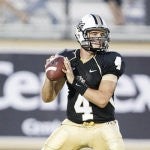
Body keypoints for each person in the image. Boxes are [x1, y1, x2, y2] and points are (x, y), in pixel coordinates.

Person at [41, 14, 125, 150]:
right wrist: (49, 77)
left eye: (101, 33)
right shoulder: (67, 58)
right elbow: (47, 98)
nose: (99, 37)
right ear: (81, 34)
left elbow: (102, 99)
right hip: (72, 126)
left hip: (103, 126)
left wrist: (74, 81)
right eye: (94, 33)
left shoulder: (111, 59)